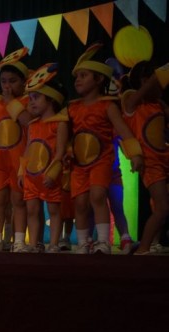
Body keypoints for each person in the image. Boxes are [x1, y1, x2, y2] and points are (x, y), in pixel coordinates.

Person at [67, 43, 143, 254]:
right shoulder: (72, 108)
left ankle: (103, 242)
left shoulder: (107, 106)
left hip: (102, 160)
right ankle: (83, 242)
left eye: (83, 75)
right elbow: (65, 134)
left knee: (98, 195)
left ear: (99, 79)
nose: (78, 80)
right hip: (79, 164)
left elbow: (124, 131)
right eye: (77, 76)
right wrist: (66, 151)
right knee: (80, 203)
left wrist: (135, 154)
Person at [0, 48, 34, 252]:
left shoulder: (28, 102)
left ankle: (19, 241)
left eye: (12, 81)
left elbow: (28, 122)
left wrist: (11, 102)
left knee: (18, 200)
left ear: (24, 82)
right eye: (3, 81)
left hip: (19, 160)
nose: (7, 86)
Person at [120, 60, 169, 254]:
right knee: (162, 208)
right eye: (159, 85)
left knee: (161, 207)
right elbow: (148, 87)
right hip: (151, 163)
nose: (161, 89)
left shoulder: (157, 105)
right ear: (144, 81)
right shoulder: (133, 104)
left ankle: (149, 245)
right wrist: (161, 73)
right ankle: (143, 249)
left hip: (164, 158)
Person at [20, 63, 70, 253]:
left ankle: (54, 244)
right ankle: (34, 244)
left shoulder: (60, 123)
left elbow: (60, 152)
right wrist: (21, 172)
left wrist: (53, 173)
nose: (31, 102)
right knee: (32, 210)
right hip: (31, 177)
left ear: (50, 99)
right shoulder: (32, 125)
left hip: (50, 176)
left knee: (54, 210)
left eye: (36, 97)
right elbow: (28, 150)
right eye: (30, 98)